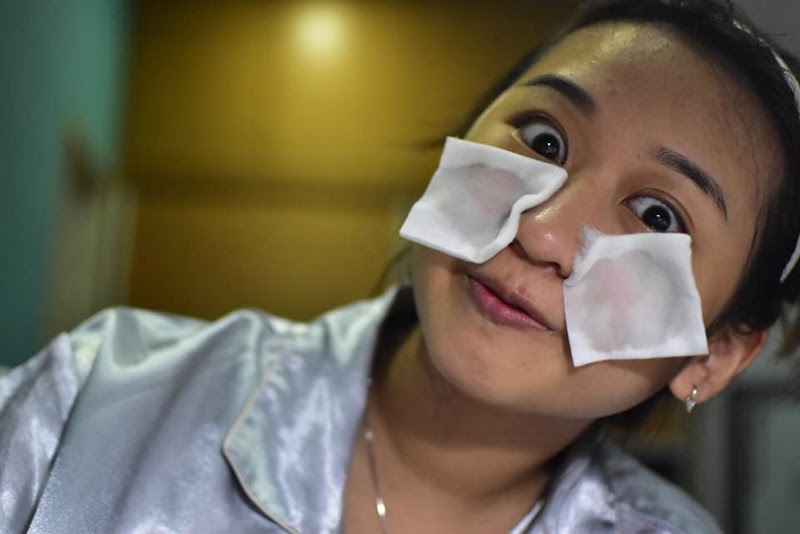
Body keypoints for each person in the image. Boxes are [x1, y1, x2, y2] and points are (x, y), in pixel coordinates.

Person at [2, 0, 799, 532]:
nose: (542, 231)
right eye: (543, 140)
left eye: (658, 216)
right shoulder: (98, 396)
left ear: (715, 353)